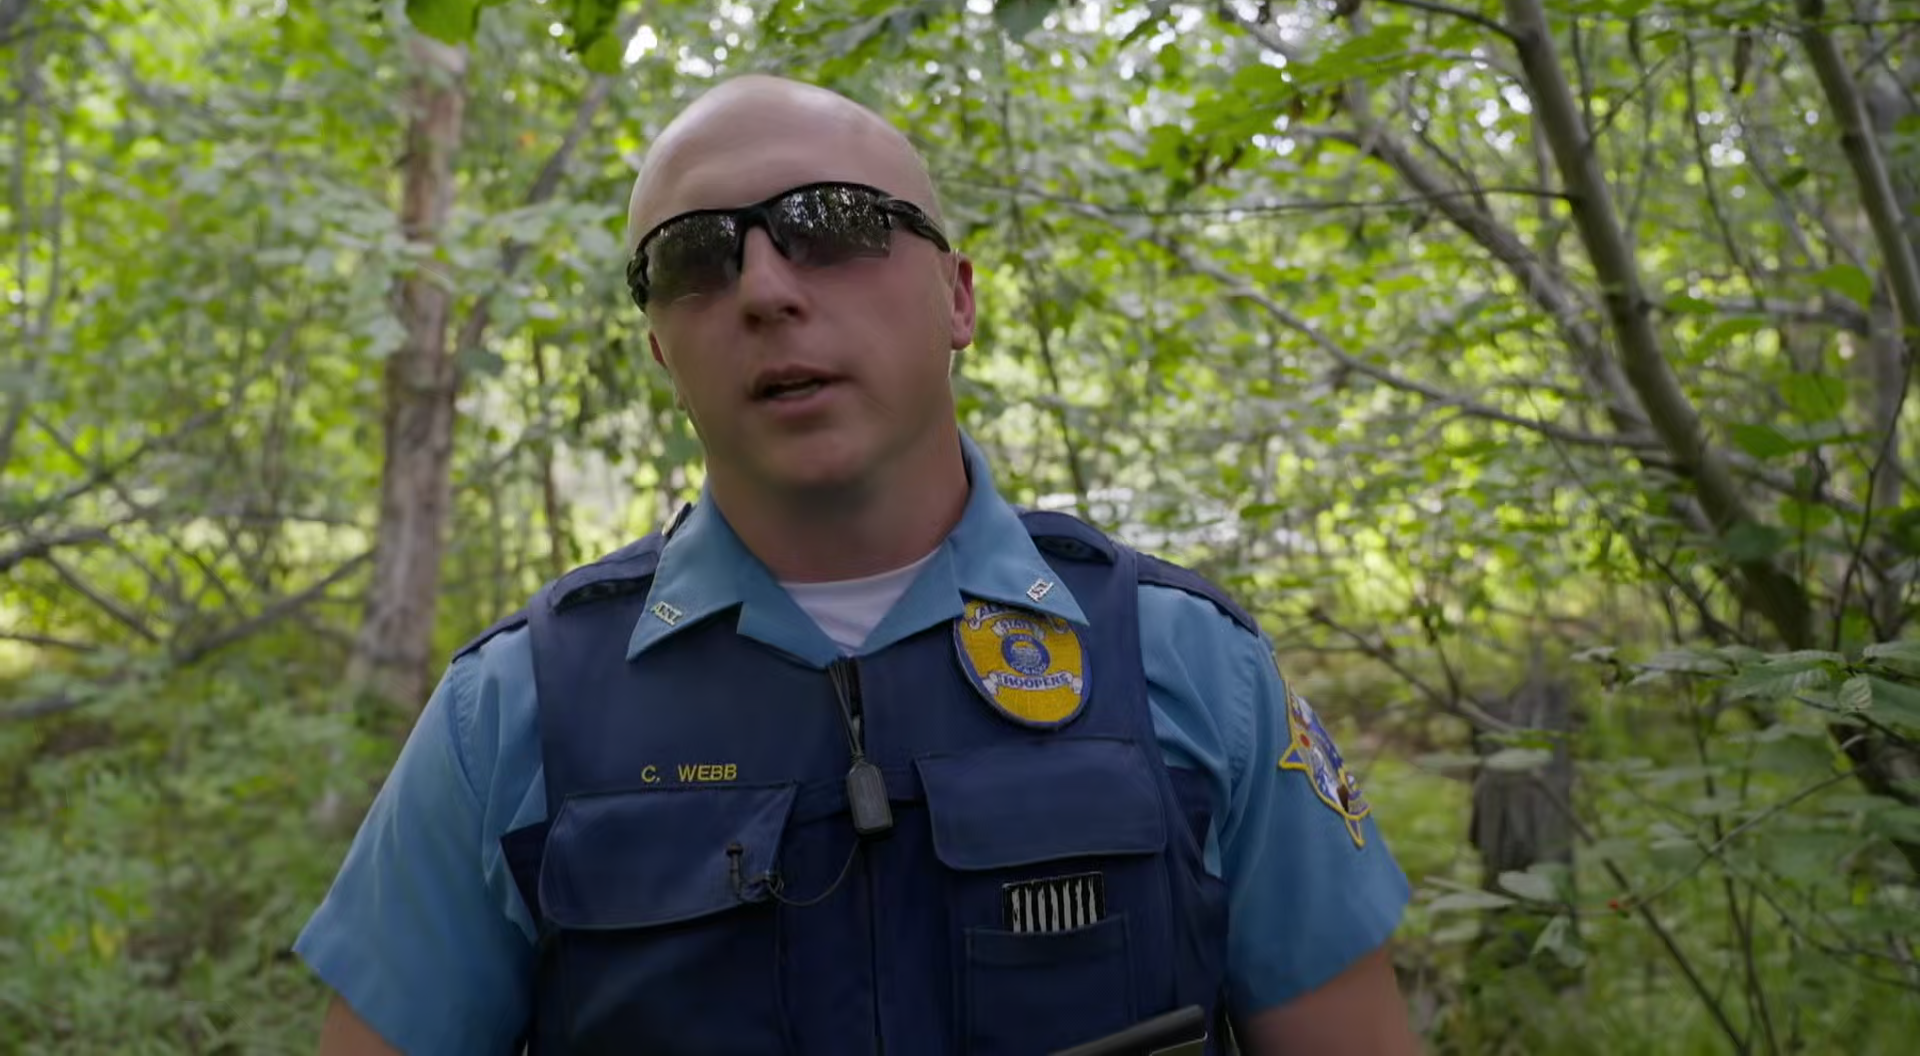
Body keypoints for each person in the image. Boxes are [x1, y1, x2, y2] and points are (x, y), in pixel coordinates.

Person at [297, 74, 1420, 1056]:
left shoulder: (1187, 666)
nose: (765, 289)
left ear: (958, 297)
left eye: (832, 225)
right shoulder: (515, 712)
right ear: (660, 350)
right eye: (694, 257)